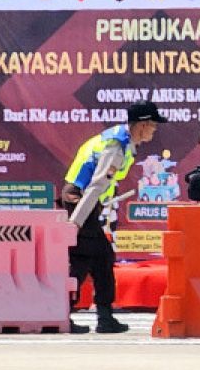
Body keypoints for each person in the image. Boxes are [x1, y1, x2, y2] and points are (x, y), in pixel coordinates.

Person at [62, 99, 166, 334]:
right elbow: (96, 185)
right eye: (153, 125)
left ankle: (99, 316)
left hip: (83, 202)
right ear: (141, 125)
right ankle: (79, 315)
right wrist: (75, 223)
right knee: (94, 257)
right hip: (79, 201)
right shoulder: (116, 146)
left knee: (93, 259)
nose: (155, 130)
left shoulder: (122, 142)